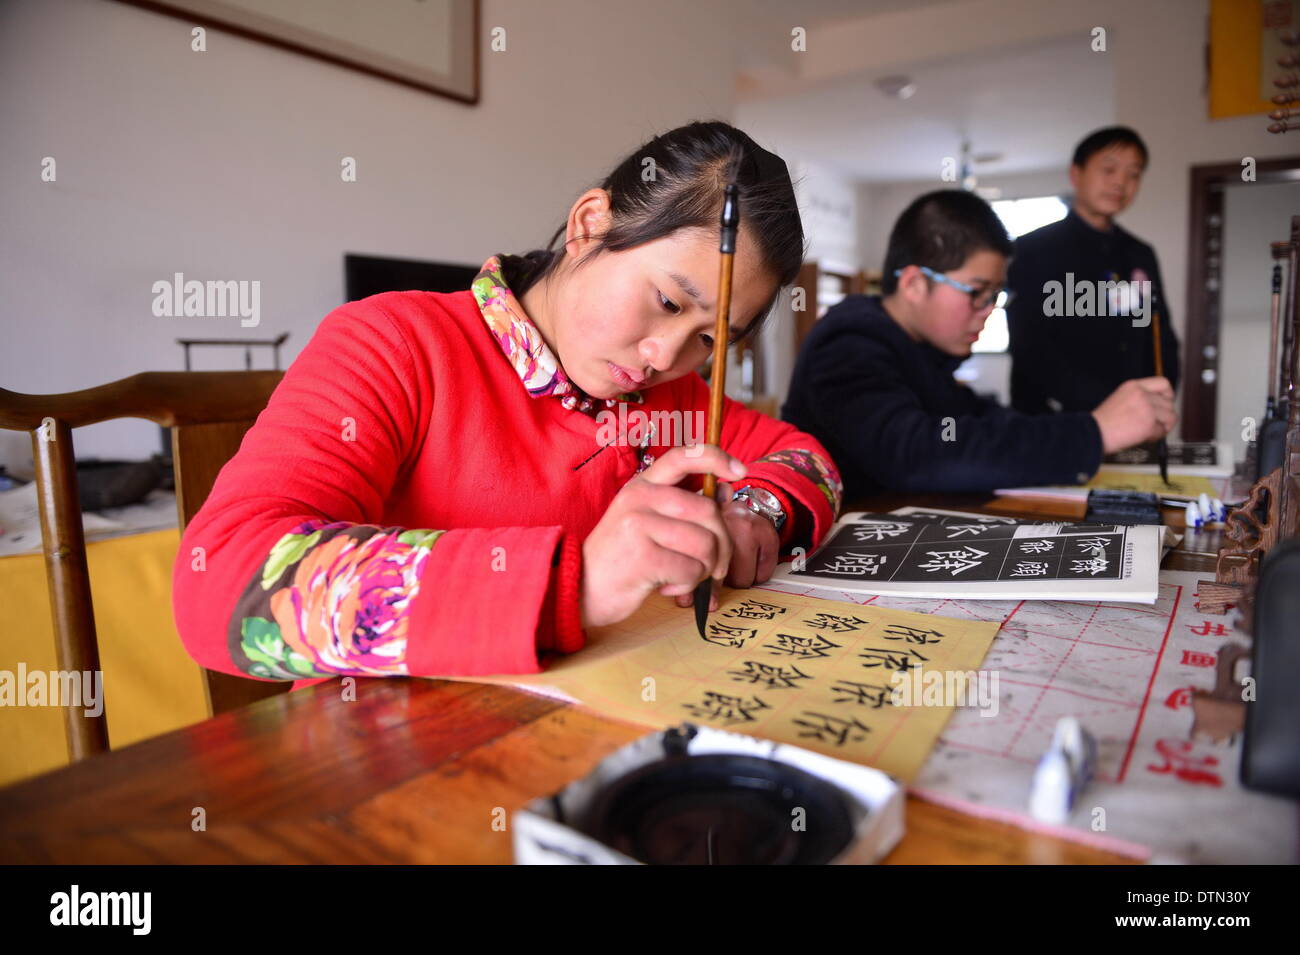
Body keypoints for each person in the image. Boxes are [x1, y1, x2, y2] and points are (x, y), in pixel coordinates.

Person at [172, 121, 842, 684]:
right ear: (589, 223)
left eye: (707, 339)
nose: (666, 356)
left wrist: (757, 509)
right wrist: (567, 586)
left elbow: (804, 454)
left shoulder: (675, 398)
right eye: (667, 301)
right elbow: (223, 581)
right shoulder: (396, 344)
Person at [781, 189, 1175, 498]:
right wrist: (1094, 432)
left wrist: (1091, 427)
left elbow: (983, 422)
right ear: (915, 283)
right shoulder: (849, 342)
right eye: (977, 292)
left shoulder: (921, 349)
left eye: (996, 295)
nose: (988, 310)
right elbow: (915, 455)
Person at [1006, 126, 1180, 414]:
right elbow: (1029, 346)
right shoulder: (1031, 250)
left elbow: (1159, 335)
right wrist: (1102, 409)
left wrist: (1160, 398)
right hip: (1051, 421)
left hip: (1134, 417)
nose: (1120, 183)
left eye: (1133, 174)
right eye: (1109, 170)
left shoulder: (1139, 254)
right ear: (1076, 174)